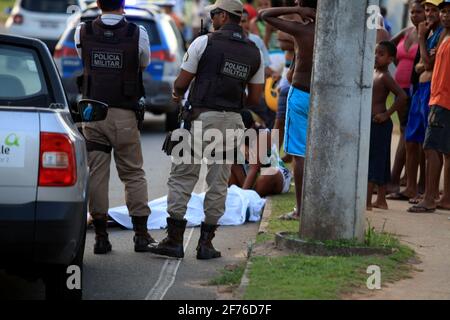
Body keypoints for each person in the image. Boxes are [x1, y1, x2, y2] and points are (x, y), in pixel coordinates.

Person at [149, 0, 265, 260]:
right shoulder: (254, 51)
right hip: (233, 122)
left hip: (199, 119)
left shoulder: (204, 42)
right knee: (218, 182)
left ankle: (174, 241)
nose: (212, 18)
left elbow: (181, 82)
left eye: (214, 14)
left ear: (224, 16)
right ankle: (206, 244)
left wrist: (178, 94)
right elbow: (256, 98)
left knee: (182, 177)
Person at [74, 0, 155, 254]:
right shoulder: (137, 33)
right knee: (132, 173)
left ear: (98, 3)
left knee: (97, 173)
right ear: (123, 5)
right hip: (124, 112)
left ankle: (100, 237)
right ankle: (141, 236)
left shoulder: (83, 31)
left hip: (93, 112)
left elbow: (83, 58)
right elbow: (143, 63)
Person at [260, 0, 317, 221]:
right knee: (315, 154)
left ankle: (301, 211)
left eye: (298, 1)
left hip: (301, 94)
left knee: (300, 156)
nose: (294, 2)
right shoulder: (329, 32)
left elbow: (265, 15)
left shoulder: (303, 30)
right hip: (323, 99)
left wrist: (296, 11)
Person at [393, 0, 444, 202]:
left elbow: (428, 63)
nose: (428, 14)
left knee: (427, 143)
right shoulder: (430, 34)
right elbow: (420, 65)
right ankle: (411, 187)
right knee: (411, 139)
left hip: (430, 90)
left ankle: (426, 191)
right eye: (427, 9)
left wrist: (422, 38)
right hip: (418, 90)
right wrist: (423, 64)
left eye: (433, 10)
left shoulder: (437, 34)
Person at [408, 0, 450, 213]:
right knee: (441, 149)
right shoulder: (443, 37)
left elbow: (427, 64)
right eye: (443, 11)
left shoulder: (443, 36)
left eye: (446, 11)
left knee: (431, 146)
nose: (444, 15)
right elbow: (424, 64)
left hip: (442, 99)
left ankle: (430, 198)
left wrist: (422, 38)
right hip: (436, 96)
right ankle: (442, 198)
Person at [387, 0, 426, 200]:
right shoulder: (406, 32)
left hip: (414, 88)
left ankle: (402, 180)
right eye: (413, 12)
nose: (415, 15)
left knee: (410, 135)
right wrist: (397, 62)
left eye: (419, 12)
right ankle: (403, 179)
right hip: (399, 87)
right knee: (405, 133)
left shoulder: (426, 33)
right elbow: (387, 46)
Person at [368, 41, 408, 211]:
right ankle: (381, 200)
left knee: (373, 161)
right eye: (375, 52)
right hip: (374, 122)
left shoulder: (384, 77)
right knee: (383, 162)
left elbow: (402, 96)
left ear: (390, 59)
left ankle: (367, 201)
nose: (376, 56)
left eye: (381, 54)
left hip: (380, 123)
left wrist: (387, 114)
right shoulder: (373, 73)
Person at [229, 110, 292, 197]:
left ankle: (245, 199)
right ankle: (235, 197)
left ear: (252, 127)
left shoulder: (263, 135)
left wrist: (243, 198)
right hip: (250, 178)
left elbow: (254, 169)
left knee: (269, 173)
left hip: (275, 176)